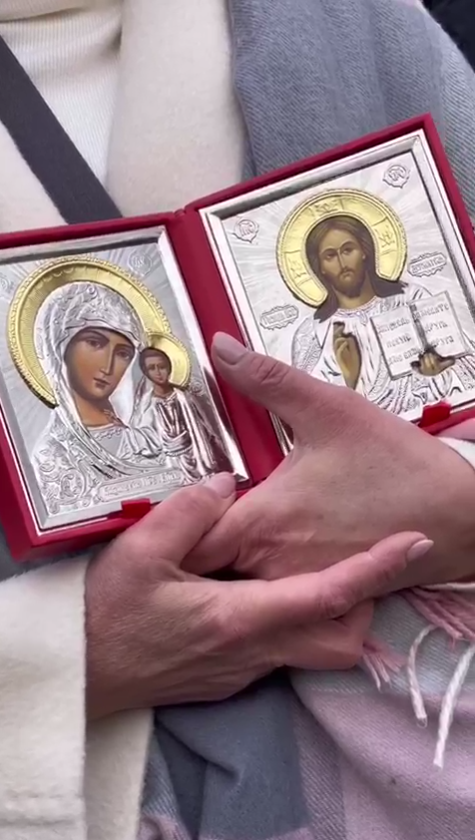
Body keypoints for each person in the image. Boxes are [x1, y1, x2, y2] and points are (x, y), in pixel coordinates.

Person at [1, 1, 475, 839]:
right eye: (90, 345)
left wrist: (456, 500)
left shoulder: (346, 22)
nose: (113, 365)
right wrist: (69, 660)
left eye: (122, 344)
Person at [291, 215, 475, 414]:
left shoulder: (412, 299)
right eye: (330, 256)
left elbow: (468, 369)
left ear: (364, 251)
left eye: (347, 250)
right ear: (320, 267)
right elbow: (310, 414)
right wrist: (349, 379)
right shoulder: (312, 334)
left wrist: (437, 374)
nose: (342, 263)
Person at [31, 281, 165, 515]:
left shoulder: (146, 439)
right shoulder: (51, 454)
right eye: (94, 343)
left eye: (123, 354)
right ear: (60, 346)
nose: (108, 366)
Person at [133, 347, 229, 482]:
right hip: (171, 462)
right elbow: (143, 436)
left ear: (169, 368)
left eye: (162, 367)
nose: (158, 372)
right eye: (152, 368)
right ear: (146, 372)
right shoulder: (145, 405)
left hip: (197, 455)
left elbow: (206, 427)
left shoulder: (185, 397)